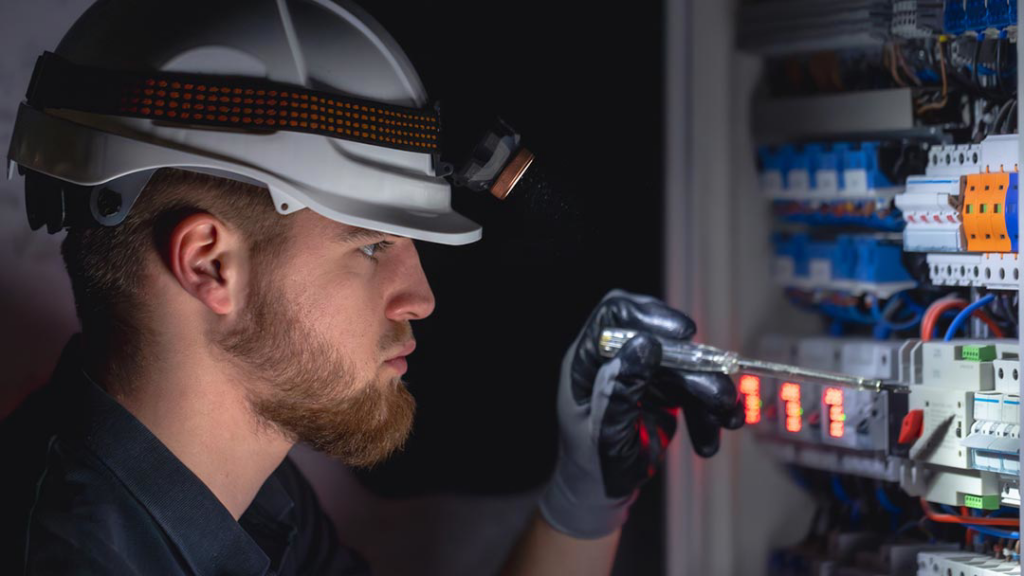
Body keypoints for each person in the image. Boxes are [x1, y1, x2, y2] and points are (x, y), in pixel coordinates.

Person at [2, 0, 744, 574]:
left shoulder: (237, 496)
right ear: (209, 265)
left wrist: (586, 502)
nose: (420, 298)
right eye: (371, 245)